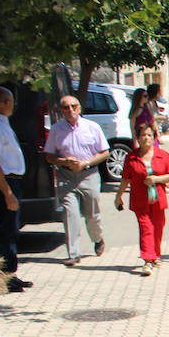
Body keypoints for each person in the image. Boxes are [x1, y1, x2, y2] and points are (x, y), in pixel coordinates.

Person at [42, 95, 108, 267]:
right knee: (70, 214)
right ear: (61, 110)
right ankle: (73, 253)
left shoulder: (92, 127)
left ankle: (97, 238)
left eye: (73, 106)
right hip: (67, 177)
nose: (70, 110)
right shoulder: (56, 129)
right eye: (66, 107)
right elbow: (49, 155)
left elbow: (104, 152)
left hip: (89, 174)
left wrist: (85, 163)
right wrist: (64, 162)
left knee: (92, 214)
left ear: (79, 108)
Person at [114, 123, 169, 276]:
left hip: (158, 199)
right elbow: (125, 178)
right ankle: (147, 260)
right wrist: (119, 196)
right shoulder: (131, 157)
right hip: (140, 200)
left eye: (149, 135)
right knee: (146, 227)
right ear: (138, 138)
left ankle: (155, 255)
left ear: (154, 138)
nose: (146, 138)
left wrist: (156, 179)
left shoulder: (163, 155)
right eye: (143, 135)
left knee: (158, 227)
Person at [0, 87, 30, 292]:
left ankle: (10, 273)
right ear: (5, 103)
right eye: (11, 101)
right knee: (5, 230)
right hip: (4, 182)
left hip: (10, 180)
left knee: (10, 229)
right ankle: (4, 277)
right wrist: (7, 193)